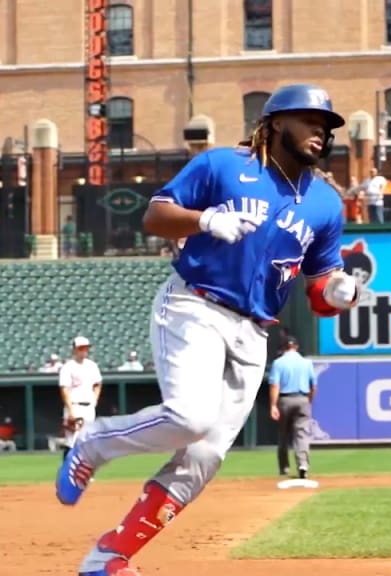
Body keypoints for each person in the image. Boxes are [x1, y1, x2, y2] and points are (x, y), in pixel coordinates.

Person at [56, 84, 361, 576]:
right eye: (311, 122)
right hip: (196, 305)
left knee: (203, 457)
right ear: (278, 122)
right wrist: (205, 220)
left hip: (255, 331)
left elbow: (319, 289)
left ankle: (108, 557)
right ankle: (92, 443)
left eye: (327, 128)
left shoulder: (325, 202)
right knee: (190, 417)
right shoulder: (223, 165)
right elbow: (155, 216)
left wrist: (339, 293)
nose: (322, 134)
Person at [269, 335, 316, 479]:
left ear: (283, 348)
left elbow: (275, 385)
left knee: (283, 435)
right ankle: (303, 465)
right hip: (302, 398)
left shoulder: (278, 363)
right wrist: (308, 400)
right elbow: (313, 386)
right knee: (301, 434)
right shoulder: (306, 362)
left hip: (284, 399)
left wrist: (273, 405)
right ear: (296, 347)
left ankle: (284, 468)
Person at [58, 336, 102, 461]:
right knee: (72, 441)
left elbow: (98, 384)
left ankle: (85, 473)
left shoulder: (92, 366)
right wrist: (70, 411)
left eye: (86, 348)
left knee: (88, 441)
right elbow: (64, 389)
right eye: (81, 348)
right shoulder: (68, 367)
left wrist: (95, 401)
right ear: (74, 349)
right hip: (74, 406)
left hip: (89, 407)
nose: (83, 351)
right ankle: (66, 474)